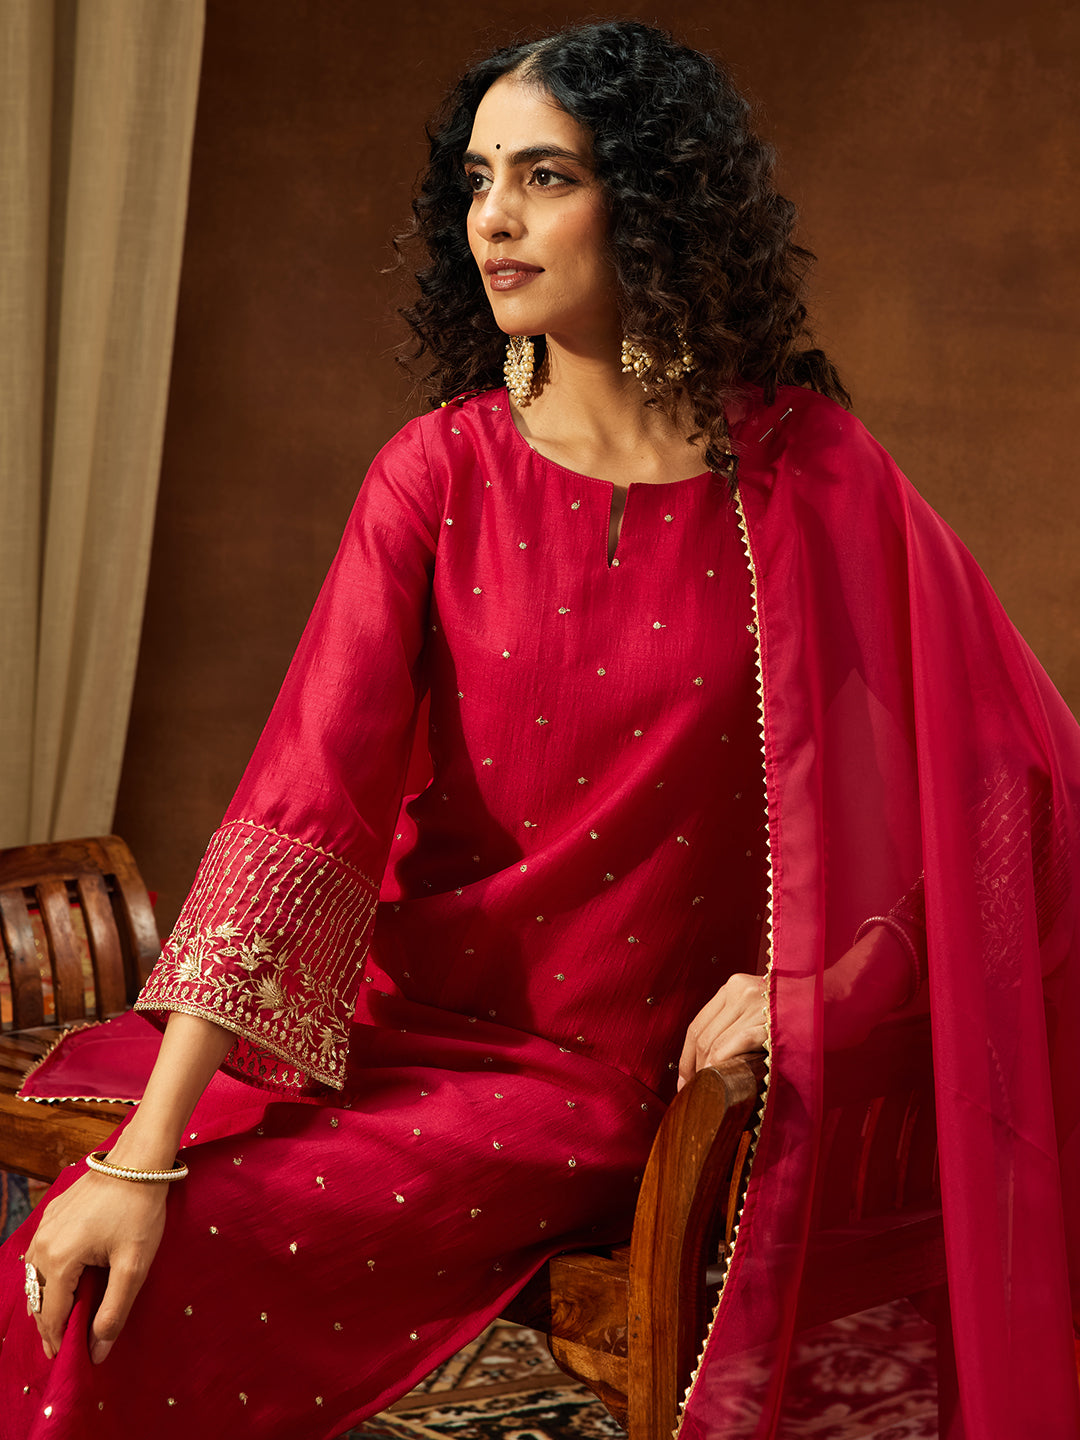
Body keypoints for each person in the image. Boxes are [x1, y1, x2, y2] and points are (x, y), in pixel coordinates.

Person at [2, 19, 1079, 1440]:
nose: (494, 219)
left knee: (174, 1268)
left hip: (604, 1084)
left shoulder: (807, 475)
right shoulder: (437, 475)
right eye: (477, 180)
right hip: (388, 1030)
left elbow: (1017, 792)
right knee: (84, 1258)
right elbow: (302, 807)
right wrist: (144, 1154)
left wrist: (822, 989)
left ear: (654, 198)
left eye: (546, 176)